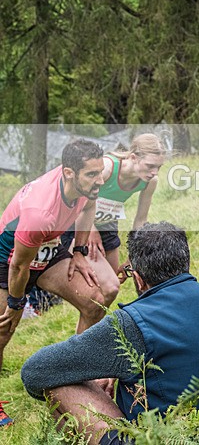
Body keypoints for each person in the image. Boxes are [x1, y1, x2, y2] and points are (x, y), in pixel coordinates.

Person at [21, 221, 199, 444]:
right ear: (185, 264)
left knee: (59, 381)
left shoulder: (131, 323)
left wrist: (92, 372)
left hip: (170, 437)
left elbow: (35, 371)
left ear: (139, 279)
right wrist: (114, 365)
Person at [0, 139, 120, 426]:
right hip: (10, 257)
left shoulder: (86, 184)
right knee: (3, 331)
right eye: (91, 175)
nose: (99, 181)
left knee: (96, 299)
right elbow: (19, 264)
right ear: (68, 173)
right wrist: (17, 303)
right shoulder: (41, 211)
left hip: (50, 247)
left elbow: (89, 208)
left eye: (99, 173)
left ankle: (76, 371)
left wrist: (79, 250)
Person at [62, 133, 166, 278]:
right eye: (150, 166)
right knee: (89, 275)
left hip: (107, 222)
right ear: (133, 158)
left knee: (113, 279)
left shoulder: (150, 182)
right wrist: (91, 229)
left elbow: (141, 220)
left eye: (158, 167)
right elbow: (76, 198)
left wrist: (134, 255)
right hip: (79, 219)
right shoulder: (107, 168)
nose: (154, 172)